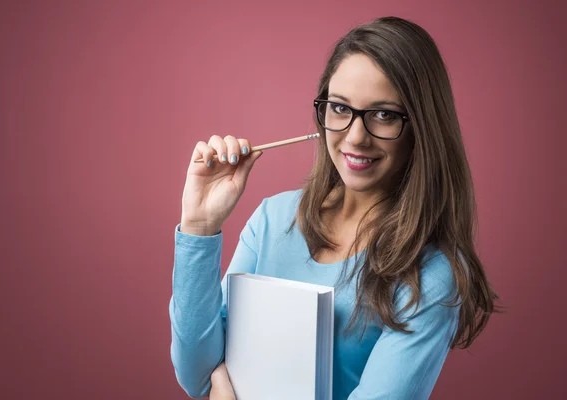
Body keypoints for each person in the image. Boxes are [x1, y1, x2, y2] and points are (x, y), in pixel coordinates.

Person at [169, 16, 498, 400]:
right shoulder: (272, 220)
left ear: (422, 127)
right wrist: (199, 225)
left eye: (384, 114)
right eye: (340, 109)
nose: (355, 138)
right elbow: (197, 375)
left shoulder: (432, 276)